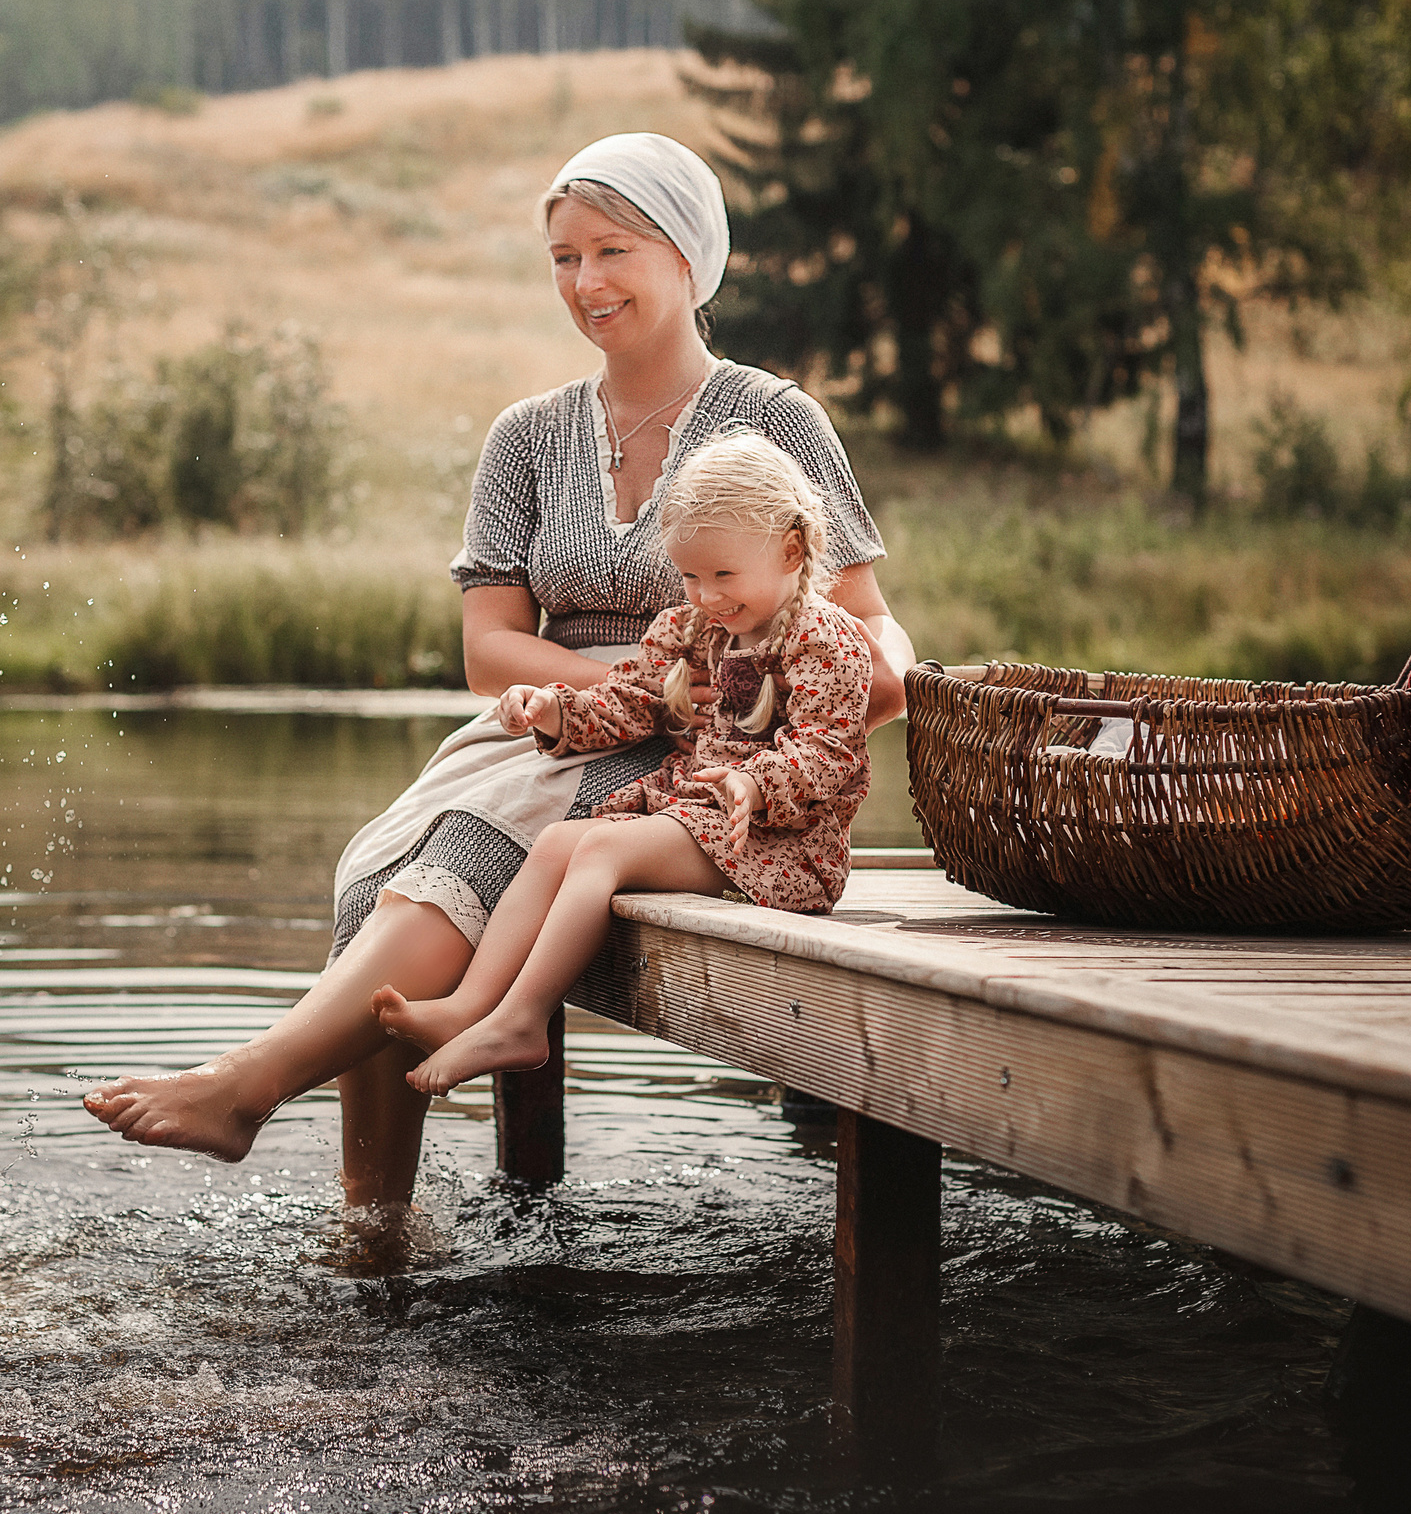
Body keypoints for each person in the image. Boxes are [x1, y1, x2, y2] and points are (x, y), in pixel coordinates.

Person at [83, 131, 914, 1195]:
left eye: (612, 251)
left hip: (690, 748)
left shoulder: (770, 420)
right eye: (564, 258)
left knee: (470, 854)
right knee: (372, 876)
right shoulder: (527, 436)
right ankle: (375, 1220)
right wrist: (634, 686)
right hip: (554, 717)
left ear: (688, 257)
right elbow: (489, 651)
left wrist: (838, 691)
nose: (586, 282)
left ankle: (246, 1087)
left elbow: (861, 620)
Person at [376, 429, 871, 1097]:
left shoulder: (827, 641)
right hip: (698, 818)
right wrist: (551, 709)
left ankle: (520, 1021)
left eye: (724, 575)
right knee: (555, 843)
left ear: (790, 548)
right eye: (691, 576)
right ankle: (470, 1008)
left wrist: (753, 781)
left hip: (779, 844)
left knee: (602, 849)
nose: (707, 595)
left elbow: (827, 750)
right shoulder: (697, 632)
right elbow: (627, 701)